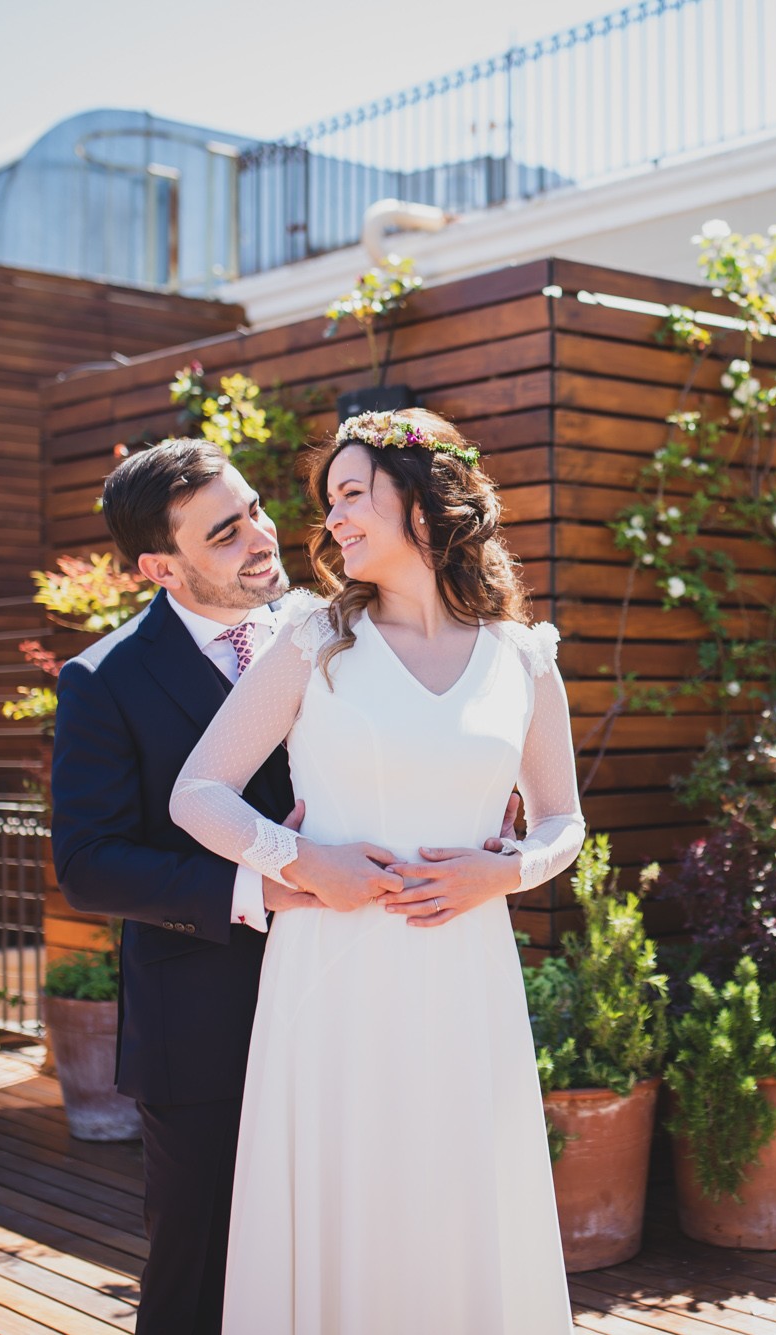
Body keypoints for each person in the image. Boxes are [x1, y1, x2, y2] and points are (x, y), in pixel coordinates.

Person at [50, 438, 519, 1334]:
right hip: (204, 1015)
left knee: (356, 1250)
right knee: (202, 1263)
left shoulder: (349, 626)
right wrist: (266, 883)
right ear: (161, 565)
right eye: (226, 533)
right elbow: (89, 862)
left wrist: (480, 823)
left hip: (362, 998)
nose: (264, 536)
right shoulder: (103, 681)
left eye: (256, 509)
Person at [168, 408, 580, 1332]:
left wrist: (501, 875)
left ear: (427, 504)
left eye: (353, 493)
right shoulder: (316, 639)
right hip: (333, 980)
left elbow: (563, 820)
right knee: (346, 1194)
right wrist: (302, 861)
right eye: (330, 501)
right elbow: (198, 791)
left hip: (464, 979)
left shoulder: (524, 657)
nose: (334, 519)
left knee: (455, 1197)